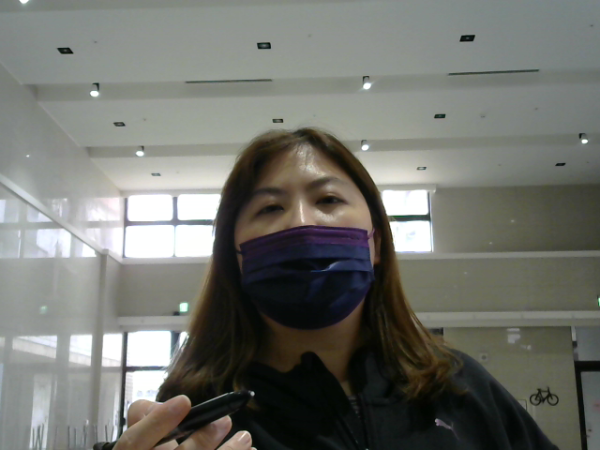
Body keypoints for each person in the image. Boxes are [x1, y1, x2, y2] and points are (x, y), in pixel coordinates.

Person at [110, 128, 559, 449]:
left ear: (375, 243)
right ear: (237, 255)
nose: (301, 223)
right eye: (269, 208)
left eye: (328, 200)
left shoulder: (460, 387)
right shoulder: (196, 417)